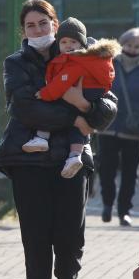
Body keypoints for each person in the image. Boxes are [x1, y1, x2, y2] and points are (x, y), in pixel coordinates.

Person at [0, 0, 118, 279]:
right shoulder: (16, 63)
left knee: (70, 237)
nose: (38, 30)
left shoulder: (84, 52)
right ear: (23, 30)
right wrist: (79, 115)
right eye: (31, 25)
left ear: (55, 23)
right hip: (28, 160)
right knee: (35, 239)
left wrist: (87, 108)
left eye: (43, 23)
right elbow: (24, 108)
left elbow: (107, 105)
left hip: (72, 161)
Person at [22, 17, 120, 178]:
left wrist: (46, 93)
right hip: (91, 94)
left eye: (73, 42)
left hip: (83, 92)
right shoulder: (90, 59)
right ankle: (75, 156)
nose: (68, 46)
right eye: (64, 42)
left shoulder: (76, 60)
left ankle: (42, 137)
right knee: (77, 125)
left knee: (52, 105)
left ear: (82, 44)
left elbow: (63, 81)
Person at [95, 27, 139, 227]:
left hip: (134, 131)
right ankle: (107, 204)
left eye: (138, 45)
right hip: (108, 126)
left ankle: (124, 210)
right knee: (106, 169)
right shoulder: (109, 63)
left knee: (130, 173)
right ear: (121, 44)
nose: (132, 48)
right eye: (129, 44)